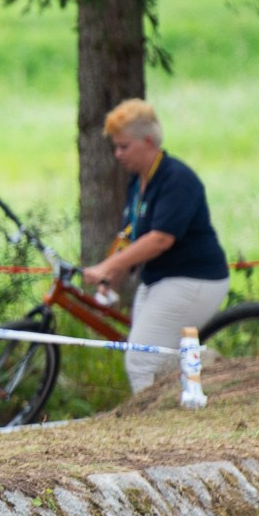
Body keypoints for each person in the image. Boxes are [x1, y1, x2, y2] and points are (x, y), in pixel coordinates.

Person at [82, 99, 230, 394]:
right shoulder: (138, 183)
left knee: (140, 359)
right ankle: (205, 378)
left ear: (148, 141)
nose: (117, 154)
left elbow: (161, 239)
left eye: (124, 146)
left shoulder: (177, 180)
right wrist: (114, 277)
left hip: (195, 280)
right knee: (157, 355)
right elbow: (133, 237)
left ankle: (152, 422)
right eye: (116, 147)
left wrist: (106, 266)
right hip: (160, 279)